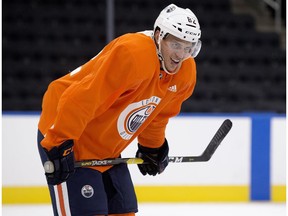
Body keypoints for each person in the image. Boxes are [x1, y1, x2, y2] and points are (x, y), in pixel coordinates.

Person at [37, 3, 201, 216]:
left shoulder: (185, 73)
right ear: (159, 35)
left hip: (107, 149)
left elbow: (157, 115)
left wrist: (152, 147)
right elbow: (82, 98)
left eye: (188, 48)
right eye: (176, 45)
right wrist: (59, 141)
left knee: (124, 212)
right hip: (67, 130)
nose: (181, 56)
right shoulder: (133, 54)